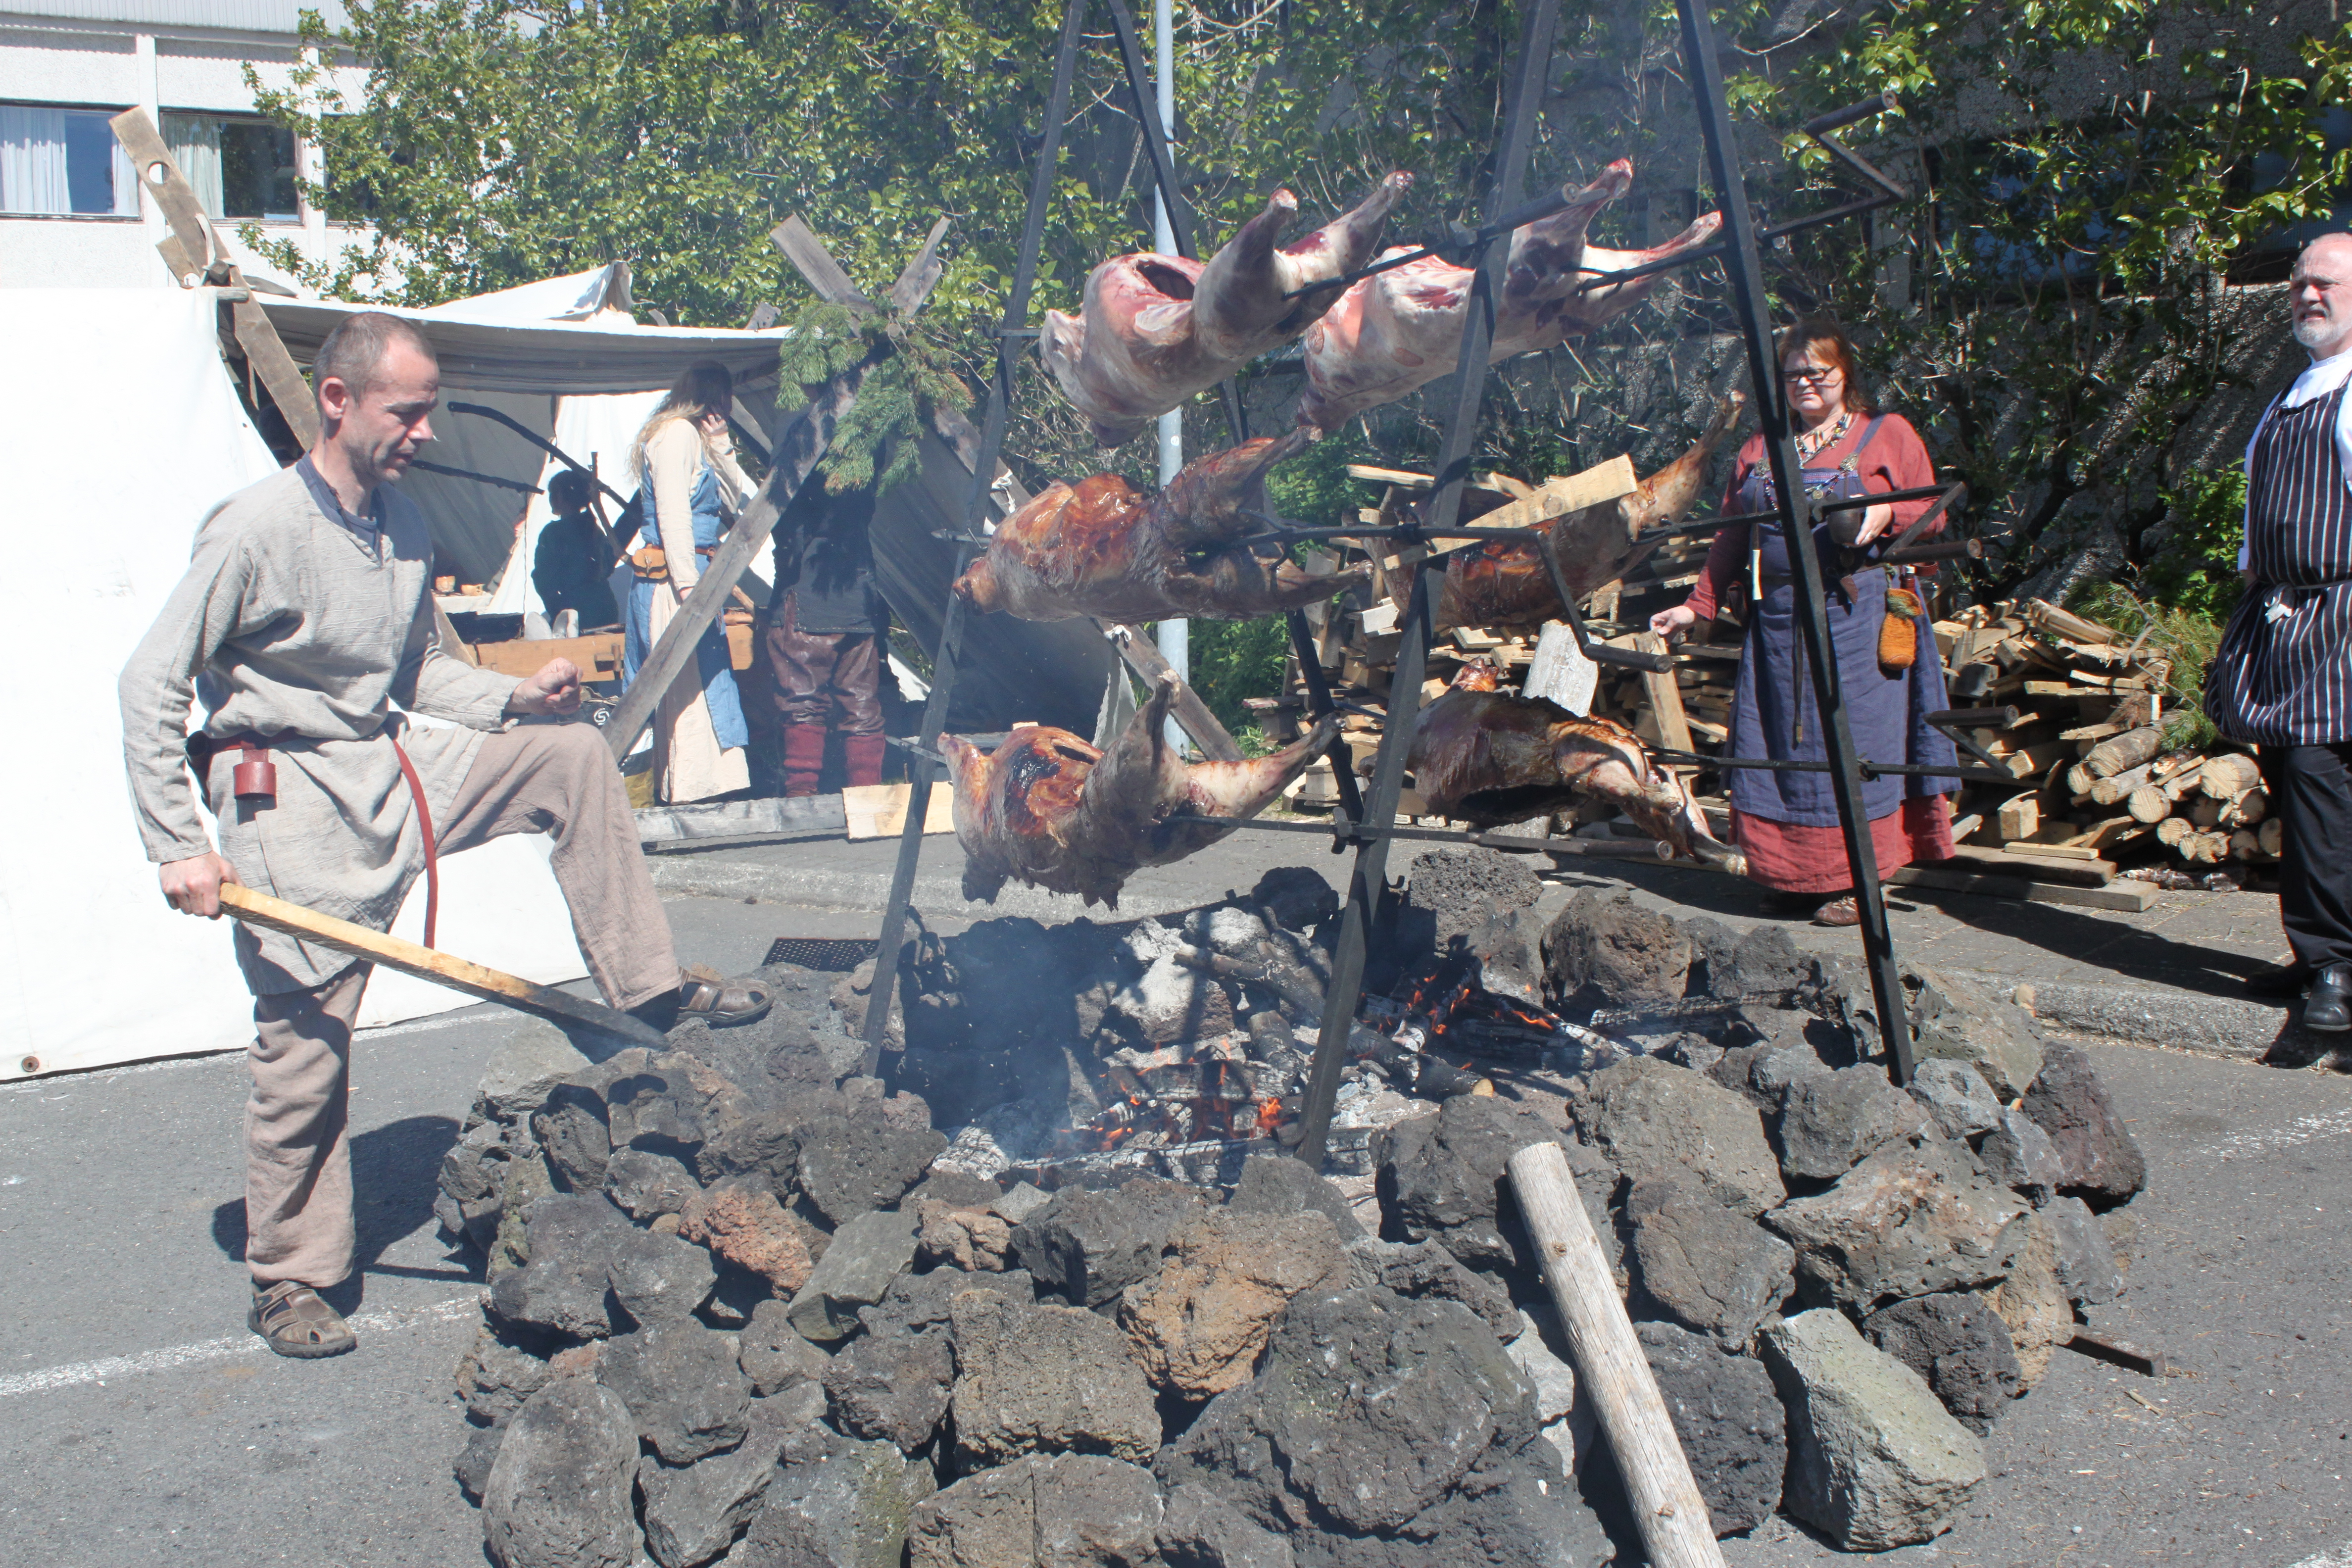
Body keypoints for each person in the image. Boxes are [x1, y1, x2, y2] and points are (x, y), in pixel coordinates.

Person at [118, 313, 774, 1361]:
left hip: (390, 763)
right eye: (408, 410)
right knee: (306, 1041)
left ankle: (648, 991)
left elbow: (418, 672)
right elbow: (149, 681)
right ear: (339, 400)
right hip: (290, 797)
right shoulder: (254, 528)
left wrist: (515, 702)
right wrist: (177, 843)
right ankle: (292, 1275)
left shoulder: (402, 524)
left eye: (428, 410)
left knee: (571, 756)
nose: (425, 431)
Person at [1652, 316, 1958, 926]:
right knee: (1780, 747)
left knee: (1857, 748)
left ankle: (1858, 884)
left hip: (1858, 620)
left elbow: (1934, 511)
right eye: (1794, 375)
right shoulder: (1761, 449)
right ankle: (1793, 877)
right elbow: (1731, 535)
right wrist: (1696, 605)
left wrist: (1888, 513)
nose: (1806, 384)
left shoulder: (1887, 434)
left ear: (1845, 373)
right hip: (1778, 625)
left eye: (1819, 372)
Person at [2210, 231, 2352, 1030]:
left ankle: (2338, 968)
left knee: (2320, 782)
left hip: (2341, 618)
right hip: (2282, 615)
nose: (2307, 295)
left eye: (2325, 283)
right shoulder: (2291, 394)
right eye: (2299, 283)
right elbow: (2259, 514)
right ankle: (2315, 955)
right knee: (2296, 788)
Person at [625, 363, 755, 803]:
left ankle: (707, 787)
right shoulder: (677, 434)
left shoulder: (697, 438)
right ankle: (688, 791)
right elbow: (673, 514)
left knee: (705, 683)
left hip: (697, 576)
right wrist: (687, 587)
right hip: (675, 582)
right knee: (687, 690)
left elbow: (732, 501)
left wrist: (721, 444)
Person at [765, 476, 887, 796]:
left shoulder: (799, 451)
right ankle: (867, 801)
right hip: (858, 598)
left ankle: (802, 800)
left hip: (807, 597)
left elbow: (789, 537)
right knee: (862, 707)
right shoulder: (863, 454)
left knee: (802, 705)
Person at [531, 468, 621, 631]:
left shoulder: (553, 533)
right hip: (605, 607)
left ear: (560, 497)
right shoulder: (594, 529)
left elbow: (543, 579)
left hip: (575, 612)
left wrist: (557, 610)